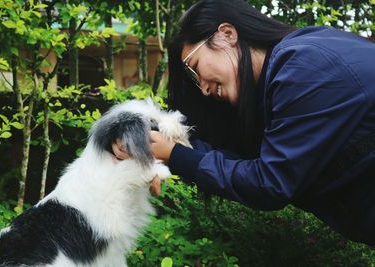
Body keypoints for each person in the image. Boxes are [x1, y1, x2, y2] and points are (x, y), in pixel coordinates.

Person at [116, 0, 375, 245]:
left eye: (194, 68)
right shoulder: (276, 87)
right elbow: (242, 162)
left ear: (227, 34)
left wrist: (175, 155)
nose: (203, 89)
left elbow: (269, 182)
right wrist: (155, 141)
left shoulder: (305, 67)